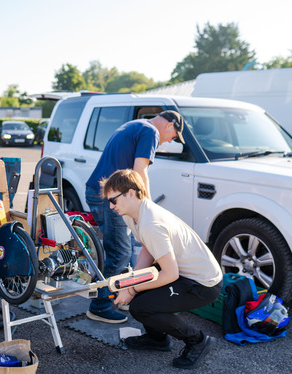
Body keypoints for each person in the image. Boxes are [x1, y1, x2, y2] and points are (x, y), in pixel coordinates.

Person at [105, 169, 223, 369]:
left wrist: (132, 289)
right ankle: (158, 339)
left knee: (141, 306)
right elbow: (147, 250)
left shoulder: (151, 223)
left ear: (131, 193)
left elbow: (170, 274)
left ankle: (198, 340)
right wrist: (131, 281)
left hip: (203, 284)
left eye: (114, 200)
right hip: (184, 274)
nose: (111, 206)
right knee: (142, 298)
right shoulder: (133, 213)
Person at [85, 110, 185, 323]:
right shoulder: (151, 132)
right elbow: (140, 171)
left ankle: (119, 296)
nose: (169, 141)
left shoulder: (136, 125)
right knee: (119, 252)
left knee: (125, 248)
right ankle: (100, 306)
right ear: (170, 125)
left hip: (101, 192)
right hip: (112, 197)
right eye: (174, 136)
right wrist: (148, 207)